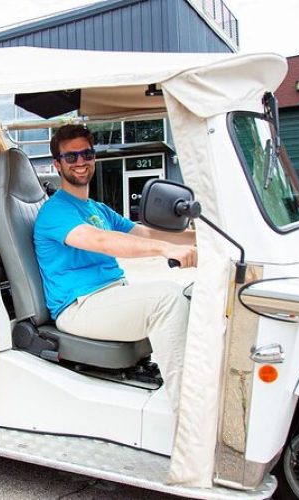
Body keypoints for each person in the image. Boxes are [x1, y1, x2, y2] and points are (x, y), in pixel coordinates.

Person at [33, 124, 197, 412]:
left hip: (108, 298)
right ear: (57, 165)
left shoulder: (98, 209)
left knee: (191, 294)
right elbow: (101, 240)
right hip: (79, 307)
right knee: (167, 299)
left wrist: (204, 239)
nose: (80, 162)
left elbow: (145, 233)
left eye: (87, 153)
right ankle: (190, 418)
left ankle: (200, 394)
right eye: (71, 157)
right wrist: (166, 250)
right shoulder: (55, 211)